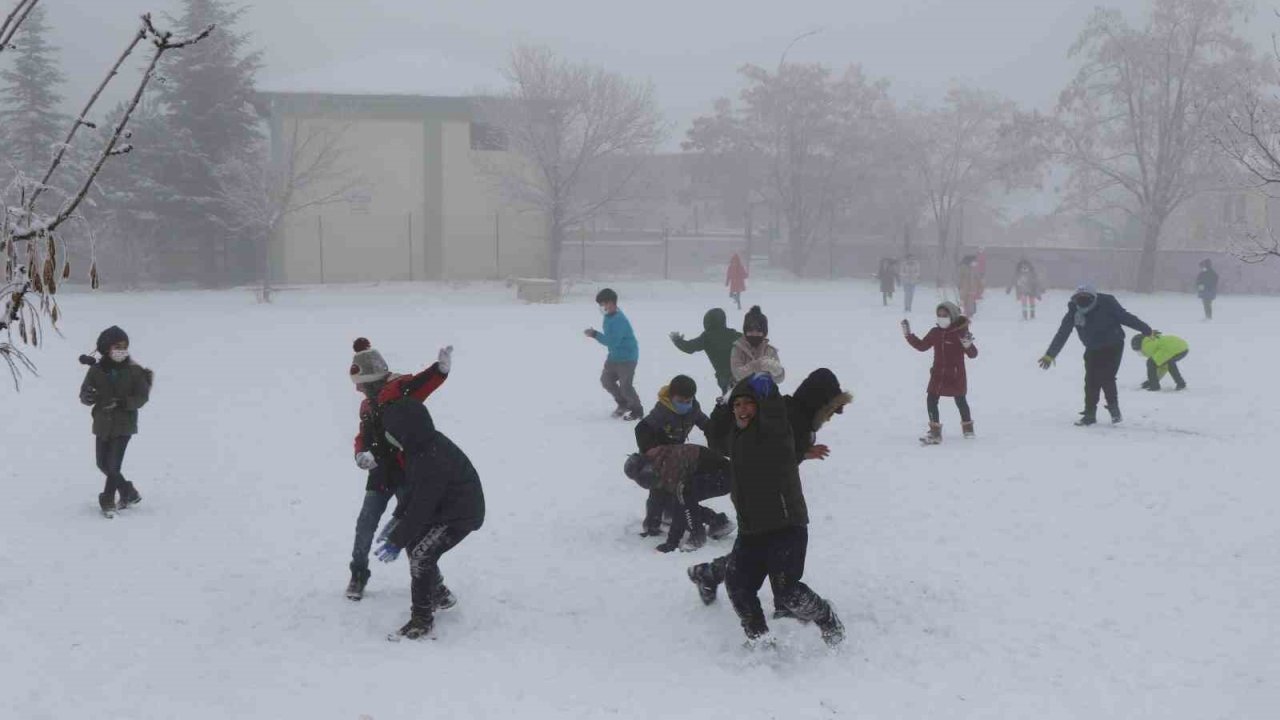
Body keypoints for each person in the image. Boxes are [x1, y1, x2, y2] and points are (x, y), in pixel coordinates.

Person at [685, 375, 844, 647]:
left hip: (785, 526)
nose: (743, 409)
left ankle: (826, 618)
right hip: (751, 529)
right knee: (737, 586)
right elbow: (714, 437)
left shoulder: (774, 429)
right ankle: (760, 640)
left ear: (760, 406)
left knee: (787, 592)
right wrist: (723, 403)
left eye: (749, 404)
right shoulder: (735, 438)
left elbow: (775, 416)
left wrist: (765, 388)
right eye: (738, 405)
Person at [371, 352, 485, 641]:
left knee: (421, 555)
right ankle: (439, 594)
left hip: (461, 513)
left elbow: (423, 505)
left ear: (405, 431)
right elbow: (413, 493)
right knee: (416, 544)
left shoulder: (429, 458)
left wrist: (397, 539)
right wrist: (397, 520)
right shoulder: (417, 448)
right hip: (444, 507)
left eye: (391, 432)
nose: (389, 437)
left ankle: (421, 619)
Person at [345, 338, 453, 601]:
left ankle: (434, 584)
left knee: (412, 529)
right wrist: (361, 453)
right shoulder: (367, 405)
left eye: (360, 384)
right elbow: (363, 435)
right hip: (380, 475)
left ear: (372, 379)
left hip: (408, 474)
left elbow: (423, 382)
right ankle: (358, 573)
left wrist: (439, 370)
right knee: (365, 525)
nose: (357, 389)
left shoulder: (400, 390)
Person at [1039, 285, 1154, 426]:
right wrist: (1050, 355)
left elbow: (1126, 317)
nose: (1082, 303)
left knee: (1107, 377)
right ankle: (1089, 414)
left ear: (1093, 297)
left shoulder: (1107, 303)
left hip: (1113, 344)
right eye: (1079, 299)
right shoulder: (1074, 310)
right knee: (1091, 380)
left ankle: (1113, 409)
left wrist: (1147, 330)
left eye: (1085, 299)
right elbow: (1063, 333)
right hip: (1092, 347)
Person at [78, 326, 153, 518]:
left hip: (124, 424)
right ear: (106, 348)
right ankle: (129, 492)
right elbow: (85, 394)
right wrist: (88, 396)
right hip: (102, 423)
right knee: (102, 463)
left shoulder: (135, 371)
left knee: (113, 466)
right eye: (116, 346)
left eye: (124, 346)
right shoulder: (96, 370)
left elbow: (142, 397)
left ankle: (108, 500)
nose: (121, 350)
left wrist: (122, 403)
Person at [635, 374, 710, 537]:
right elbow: (641, 428)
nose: (684, 405)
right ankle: (652, 523)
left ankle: (670, 514)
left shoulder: (693, 409)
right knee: (658, 489)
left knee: (676, 489)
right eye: (680, 401)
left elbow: (706, 424)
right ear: (671, 397)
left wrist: (716, 435)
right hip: (660, 454)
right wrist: (650, 451)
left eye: (688, 401)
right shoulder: (662, 411)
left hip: (678, 455)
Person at [624, 445, 734, 553]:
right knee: (676, 497)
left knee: (683, 494)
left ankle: (697, 536)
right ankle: (718, 521)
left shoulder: (669, 465)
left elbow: (680, 504)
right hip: (712, 474)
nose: (642, 480)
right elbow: (656, 494)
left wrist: (672, 542)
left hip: (724, 477)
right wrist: (652, 525)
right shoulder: (657, 463)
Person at [903, 302, 978, 444]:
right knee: (931, 399)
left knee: (960, 400)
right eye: (939, 315)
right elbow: (922, 346)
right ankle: (935, 431)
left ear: (952, 316)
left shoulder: (960, 333)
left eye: (945, 315)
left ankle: (968, 428)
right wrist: (909, 335)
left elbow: (973, 354)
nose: (941, 318)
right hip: (938, 373)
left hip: (956, 375)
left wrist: (968, 346)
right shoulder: (935, 333)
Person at [584, 288, 643, 420]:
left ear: (611, 303)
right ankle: (623, 404)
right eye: (600, 305)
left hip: (627, 357)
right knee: (606, 380)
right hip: (614, 356)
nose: (601, 307)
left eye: (603, 304)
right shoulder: (609, 316)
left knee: (626, 386)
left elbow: (613, 341)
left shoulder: (619, 320)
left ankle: (637, 410)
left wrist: (595, 334)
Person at [670, 308, 742, 394]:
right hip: (743, 374)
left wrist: (678, 340)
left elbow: (689, 347)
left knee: (731, 400)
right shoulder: (734, 334)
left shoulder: (707, 337)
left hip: (725, 378)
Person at [730, 306, 784, 386]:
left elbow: (779, 379)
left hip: (764, 392)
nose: (754, 334)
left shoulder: (770, 350)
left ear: (764, 333)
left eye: (758, 331)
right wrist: (757, 365)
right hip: (742, 391)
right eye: (751, 331)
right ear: (745, 331)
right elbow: (737, 375)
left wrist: (777, 371)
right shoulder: (738, 349)